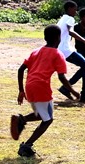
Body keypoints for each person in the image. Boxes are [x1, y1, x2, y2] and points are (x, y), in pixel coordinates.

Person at [10, 24, 80, 157]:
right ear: (58, 38)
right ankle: (27, 145)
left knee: (42, 114)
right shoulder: (57, 54)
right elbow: (61, 77)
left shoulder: (36, 51)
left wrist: (21, 90)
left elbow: (21, 69)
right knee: (48, 120)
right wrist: (73, 91)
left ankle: (21, 120)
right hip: (42, 87)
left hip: (29, 86)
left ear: (45, 37)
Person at [56, 1, 85, 102]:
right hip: (65, 50)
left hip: (61, 49)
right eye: (74, 9)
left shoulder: (62, 19)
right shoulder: (70, 18)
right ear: (69, 8)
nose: (76, 11)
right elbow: (71, 31)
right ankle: (82, 93)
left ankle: (77, 91)